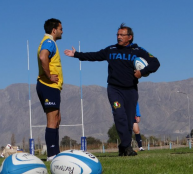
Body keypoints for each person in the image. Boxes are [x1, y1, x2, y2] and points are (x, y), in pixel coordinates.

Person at [64, 23, 160, 156]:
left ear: (130, 37)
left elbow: (156, 63)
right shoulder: (111, 49)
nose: (119, 37)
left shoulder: (138, 51)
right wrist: (76, 54)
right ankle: (127, 146)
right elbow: (95, 56)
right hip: (114, 90)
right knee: (119, 114)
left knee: (128, 120)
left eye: (122, 35)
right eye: (117, 35)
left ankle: (124, 146)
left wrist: (142, 72)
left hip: (131, 91)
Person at [37, 18, 63, 161]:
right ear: (54, 30)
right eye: (60, 28)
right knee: (52, 120)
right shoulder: (49, 42)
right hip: (48, 86)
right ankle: (52, 155)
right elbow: (43, 57)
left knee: (57, 118)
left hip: (52, 87)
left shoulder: (49, 42)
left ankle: (56, 152)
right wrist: (49, 76)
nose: (62, 31)